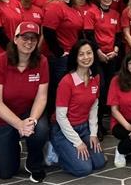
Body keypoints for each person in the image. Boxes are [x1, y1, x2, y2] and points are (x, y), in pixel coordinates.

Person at [0, 22, 49, 182]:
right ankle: (13, 142)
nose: (29, 42)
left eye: (33, 38)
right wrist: (19, 124)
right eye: (25, 37)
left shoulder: (42, 61)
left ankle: (34, 164)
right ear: (15, 38)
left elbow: (41, 96)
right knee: (6, 173)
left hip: (26, 111)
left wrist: (31, 121)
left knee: (40, 129)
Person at [50, 40, 106, 176]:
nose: (86, 57)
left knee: (99, 163)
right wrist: (77, 143)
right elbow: (60, 117)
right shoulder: (66, 81)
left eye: (89, 53)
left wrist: (93, 134)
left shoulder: (96, 77)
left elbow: (94, 107)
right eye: (81, 54)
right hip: (63, 130)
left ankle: (72, 153)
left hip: (83, 128)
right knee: (83, 169)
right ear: (75, 57)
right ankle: (55, 150)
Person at [42, 0, 87, 113]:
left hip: (72, 57)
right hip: (60, 59)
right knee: (57, 92)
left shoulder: (74, 8)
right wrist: (60, 52)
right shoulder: (55, 6)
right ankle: (53, 122)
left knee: (68, 92)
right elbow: (48, 32)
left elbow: (78, 32)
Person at [89, 0, 122, 133]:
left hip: (112, 57)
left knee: (110, 89)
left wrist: (115, 50)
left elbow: (119, 36)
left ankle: (108, 120)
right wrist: (98, 52)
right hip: (97, 57)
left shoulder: (115, 14)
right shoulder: (92, 12)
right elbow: (89, 35)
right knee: (100, 89)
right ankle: (97, 124)